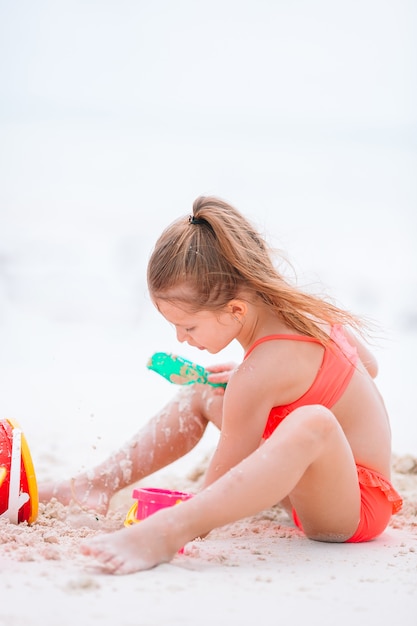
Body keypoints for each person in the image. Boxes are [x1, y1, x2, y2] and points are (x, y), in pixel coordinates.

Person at [40, 196, 402, 575]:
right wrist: (279, 388)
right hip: (310, 484)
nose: (180, 338)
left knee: (313, 421)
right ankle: (93, 485)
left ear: (236, 310)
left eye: (189, 326)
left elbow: (218, 488)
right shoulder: (308, 311)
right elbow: (368, 368)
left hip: (354, 509)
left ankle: (167, 532)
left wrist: (261, 385)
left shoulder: (256, 376)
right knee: (209, 389)